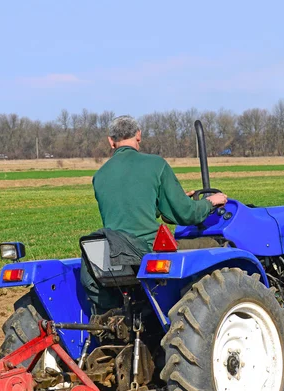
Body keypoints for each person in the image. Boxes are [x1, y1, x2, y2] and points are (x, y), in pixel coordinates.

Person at [81, 115, 227, 311]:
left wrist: (165, 201)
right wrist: (210, 202)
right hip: (146, 249)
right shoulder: (156, 165)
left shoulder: (100, 175)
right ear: (138, 136)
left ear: (111, 141)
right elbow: (187, 214)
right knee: (220, 246)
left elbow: (131, 210)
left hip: (115, 251)